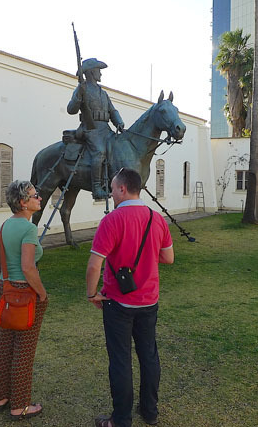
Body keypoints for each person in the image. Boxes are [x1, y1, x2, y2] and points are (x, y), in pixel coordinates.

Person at [86, 168, 174, 427]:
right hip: (149, 301)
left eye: (112, 188)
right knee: (149, 355)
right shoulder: (156, 218)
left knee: (121, 359)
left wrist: (91, 293)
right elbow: (168, 258)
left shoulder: (112, 220)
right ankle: (150, 412)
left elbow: (94, 265)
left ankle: (121, 419)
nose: (111, 193)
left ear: (123, 188)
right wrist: (146, 256)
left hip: (117, 302)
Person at [0, 180, 47, 420]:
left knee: (5, 346)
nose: (40, 199)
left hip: (5, 289)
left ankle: (0, 397)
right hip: (25, 293)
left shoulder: (4, 227)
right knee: (24, 350)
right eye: (35, 196)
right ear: (23, 202)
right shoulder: (28, 229)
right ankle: (20, 405)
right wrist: (42, 293)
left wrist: (7, 283)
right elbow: (28, 267)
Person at [67, 57, 125, 199]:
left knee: (118, 148)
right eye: (99, 70)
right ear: (92, 72)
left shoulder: (103, 93)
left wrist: (119, 122)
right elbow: (71, 109)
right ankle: (97, 187)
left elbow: (112, 110)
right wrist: (79, 96)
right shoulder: (82, 88)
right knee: (99, 151)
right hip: (90, 128)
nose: (101, 74)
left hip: (105, 128)